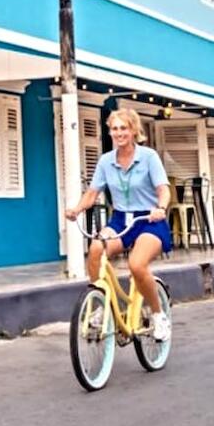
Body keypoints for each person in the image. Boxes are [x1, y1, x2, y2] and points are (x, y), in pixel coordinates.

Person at [64, 108, 174, 340]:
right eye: (114, 129)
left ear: (134, 130)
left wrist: (160, 209)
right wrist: (76, 209)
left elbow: (163, 190)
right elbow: (92, 194)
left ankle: (157, 315)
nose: (118, 133)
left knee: (136, 264)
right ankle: (101, 305)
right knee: (95, 249)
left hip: (148, 220)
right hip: (121, 219)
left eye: (123, 128)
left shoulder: (148, 157)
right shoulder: (106, 161)